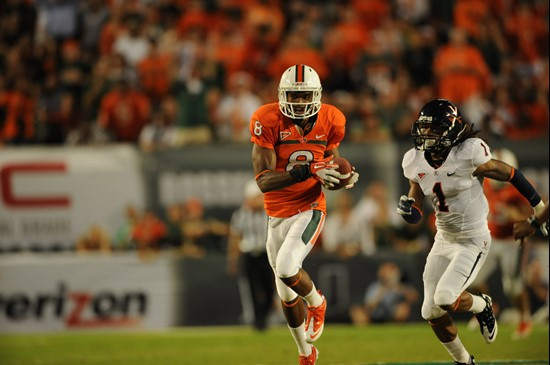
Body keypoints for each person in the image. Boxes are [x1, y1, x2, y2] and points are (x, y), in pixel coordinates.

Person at [396, 99, 546, 365]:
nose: (426, 134)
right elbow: (417, 203)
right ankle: (465, 361)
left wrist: (539, 206)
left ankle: (481, 304)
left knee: (444, 298)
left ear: (450, 129)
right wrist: (410, 211)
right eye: (424, 128)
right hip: (443, 239)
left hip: (472, 239)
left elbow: (510, 173)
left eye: (433, 129)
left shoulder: (468, 152)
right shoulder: (413, 159)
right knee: (429, 311)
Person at [250, 64, 358, 365]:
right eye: (294, 97)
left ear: (317, 95)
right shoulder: (266, 119)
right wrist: (308, 169)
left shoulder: (332, 119)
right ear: (283, 96)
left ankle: (317, 302)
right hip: (276, 214)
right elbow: (263, 181)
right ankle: (306, 353)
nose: (299, 103)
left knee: (286, 267)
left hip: (309, 208)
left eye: (305, 96)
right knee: (285, 295)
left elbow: (329, 169)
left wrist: (341, 179)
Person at [468, 148, 534, 339]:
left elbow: (537, 215)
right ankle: (489, 307)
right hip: (490, 238)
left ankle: (524, 319)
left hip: (512, 242)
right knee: (474, 280)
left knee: (512, 286)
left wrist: (517, 216)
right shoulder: (485, 181)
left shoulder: (519, 188)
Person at [227, 180, 274, 331]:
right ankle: (258, 322)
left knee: (269, 289)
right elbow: (235, 237)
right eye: (256, 197)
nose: (259, 200)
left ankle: (264, 316)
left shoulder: (270, 212)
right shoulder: (241, 215)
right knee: (252, 289)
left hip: (266, 254)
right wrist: (233, 259)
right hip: (249, 255)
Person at [349, 261, 419, 325]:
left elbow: (415, 298)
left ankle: (395, 328)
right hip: (376, 313)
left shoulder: (401, 286)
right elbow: (369, 306)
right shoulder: (375, 286)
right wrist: (384, 290)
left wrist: (400, 289)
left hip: (392, 312)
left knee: (403, 308)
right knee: (357, 311)